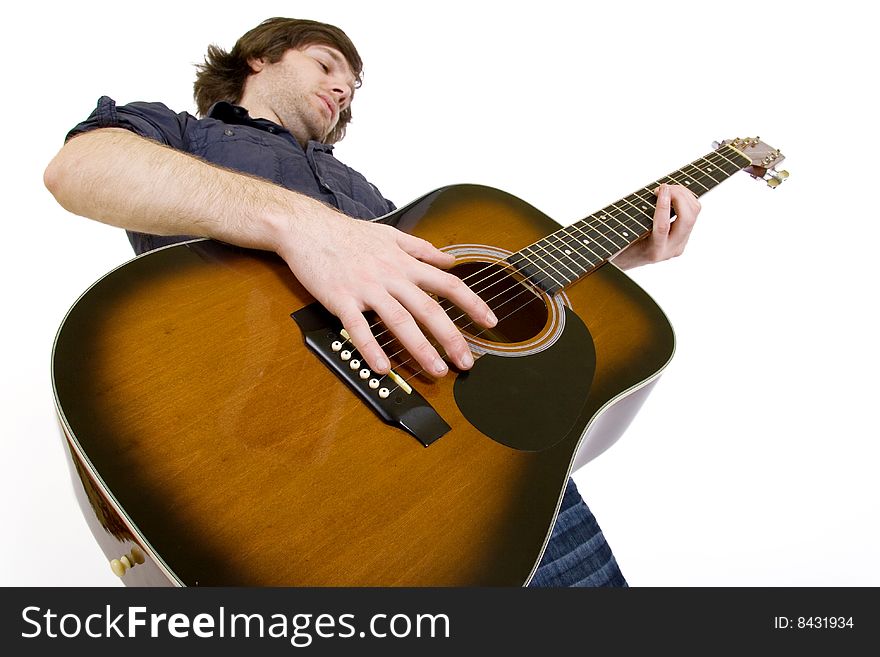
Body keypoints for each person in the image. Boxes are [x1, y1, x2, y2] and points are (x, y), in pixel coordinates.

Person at [44, 17, 701, 587]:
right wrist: (301, 225)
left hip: (484, 482)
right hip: (269, 474)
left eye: (354, 86)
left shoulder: (362, 188)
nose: (342, 88)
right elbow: (80, 169)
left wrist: (618, 257)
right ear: (258, 58)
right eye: (327, 65)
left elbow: (469, 297)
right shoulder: (181, 132)